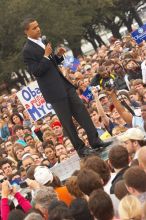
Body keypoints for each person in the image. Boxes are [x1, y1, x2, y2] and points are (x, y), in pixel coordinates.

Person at [22, 18, 111, 157]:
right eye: (34, 28)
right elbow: (36, 71)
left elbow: (53, 64)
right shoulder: (27, 50)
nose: (38, 29)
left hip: (64, 84)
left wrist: (58, 55)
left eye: (38, 26)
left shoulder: (44, 41)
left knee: (82, 111)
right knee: (67, 121)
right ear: (26, 31)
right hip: (53, 91)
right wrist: (45, 56)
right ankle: (80, 149)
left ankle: (95, 140)